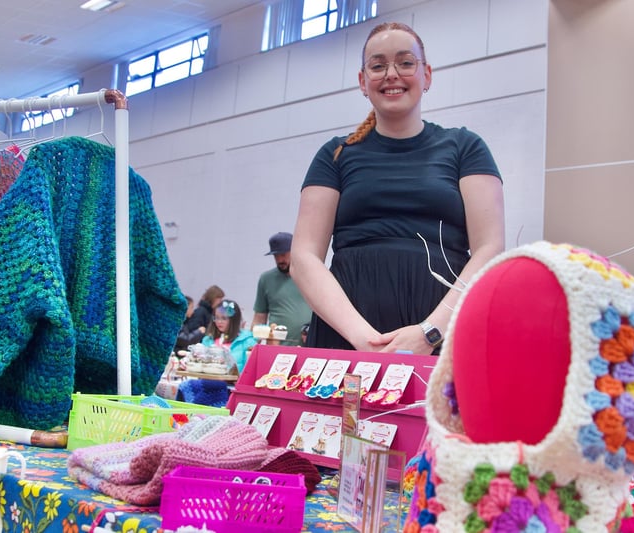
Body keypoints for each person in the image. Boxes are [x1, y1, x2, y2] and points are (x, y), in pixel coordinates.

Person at [291, 21, 505, 355]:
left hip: (445, 332)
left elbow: (489, 247)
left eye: (406, 63)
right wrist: (364, 339)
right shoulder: (335, 154)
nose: (392, 74)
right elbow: (304, 257)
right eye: (378, 66)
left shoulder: (466, 148)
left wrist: (430, 333)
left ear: (427, 75)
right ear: (363, 81)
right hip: (347, 333)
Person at [252, 232, 312, 346]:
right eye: (276, 256)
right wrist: (251, 342)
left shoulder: (311, 276)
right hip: (277, 347)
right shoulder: (266, 279)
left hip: (308, 345)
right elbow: (259, 317)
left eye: (283, 254)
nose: (280, 260)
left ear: (294, 251)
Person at [202, 299, 257, 374]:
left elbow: (251, 370)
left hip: (234, 384)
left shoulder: (247, 341)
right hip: (208, 381)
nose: (219, 322)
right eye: (217, 317)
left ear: (234, 320)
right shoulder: (207, 340)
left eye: (224, 318)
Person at [176, 285, 224, 351]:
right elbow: (191, 330)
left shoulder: (211, 312)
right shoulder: (201, 312)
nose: (220, 302)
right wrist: (201, 332)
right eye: (219, 299)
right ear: (214, 298)